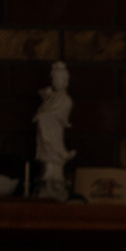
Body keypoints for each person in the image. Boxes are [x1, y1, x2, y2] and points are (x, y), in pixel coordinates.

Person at [31, 60, 74, 201]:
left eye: (59, 79)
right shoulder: (51, 97)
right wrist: (46, 98)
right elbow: (45, 111)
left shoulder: (65, 99)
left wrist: (42, 117)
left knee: (54, 156)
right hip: (47, 134)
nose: (55, 81)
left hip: (54, 133)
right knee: (47, 161)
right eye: (54, 78)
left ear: (65, 81)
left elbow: (58, 116)